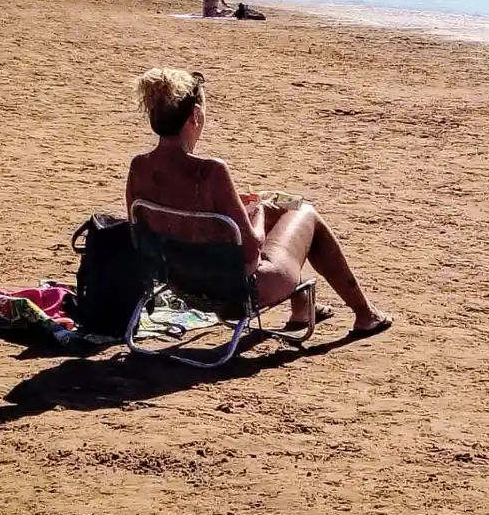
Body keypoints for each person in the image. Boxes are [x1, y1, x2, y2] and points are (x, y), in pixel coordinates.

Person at [125, 68, 392, 339]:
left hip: (182, 286)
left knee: (279, 224)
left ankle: (302, 308)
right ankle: (365, 315)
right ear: (195, 115)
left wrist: (234, 208)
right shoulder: (211, 172)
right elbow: (252, 254)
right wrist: (259, 212)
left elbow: (141, 234)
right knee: (305, 214)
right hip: (239, 294)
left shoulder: (139, 167)